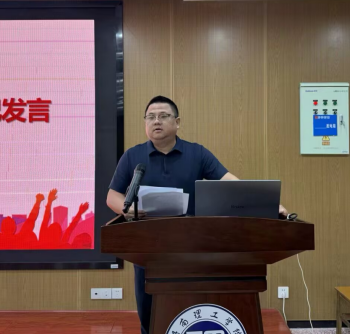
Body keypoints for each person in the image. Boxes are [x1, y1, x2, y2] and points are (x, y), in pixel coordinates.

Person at [106, 96, 288, 334]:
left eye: (163, 116)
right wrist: (129, 209)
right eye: (150, 117)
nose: (156, 121)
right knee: (149, 317)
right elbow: (112, 196)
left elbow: (229, 183)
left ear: (177, 122)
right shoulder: (133, 156)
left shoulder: (197, 153)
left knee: (192, 309)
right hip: (149, 250)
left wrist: (266, 204)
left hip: (191, 248)